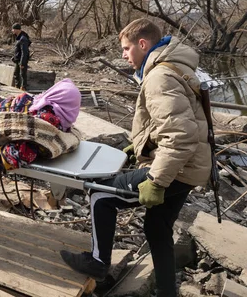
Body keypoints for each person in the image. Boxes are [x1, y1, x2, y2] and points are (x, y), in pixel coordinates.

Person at [60, 19, 211, 297]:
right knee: (157, 228)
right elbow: (174, 122)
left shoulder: (159, 77)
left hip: (177, 168)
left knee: (99, 195)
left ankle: (97, 263)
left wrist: (155, 179)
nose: (124, 55)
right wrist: (139, 147)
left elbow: (180, 135)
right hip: (191, 166)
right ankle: (167, 291)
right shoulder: (173, 66)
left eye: (127, 48)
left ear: (143, 45)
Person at [11, 23, 31, 91]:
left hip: (22, 60)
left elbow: (24, 52)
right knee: (16, 74)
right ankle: (17, 87)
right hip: (18, 60)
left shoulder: (23, 39)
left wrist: (22, 63)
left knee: (22, 74)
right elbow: (18, 50)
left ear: (17, 30)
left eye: (13, 29)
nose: (12, 30)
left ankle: (23, 88)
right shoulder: (19, 38)